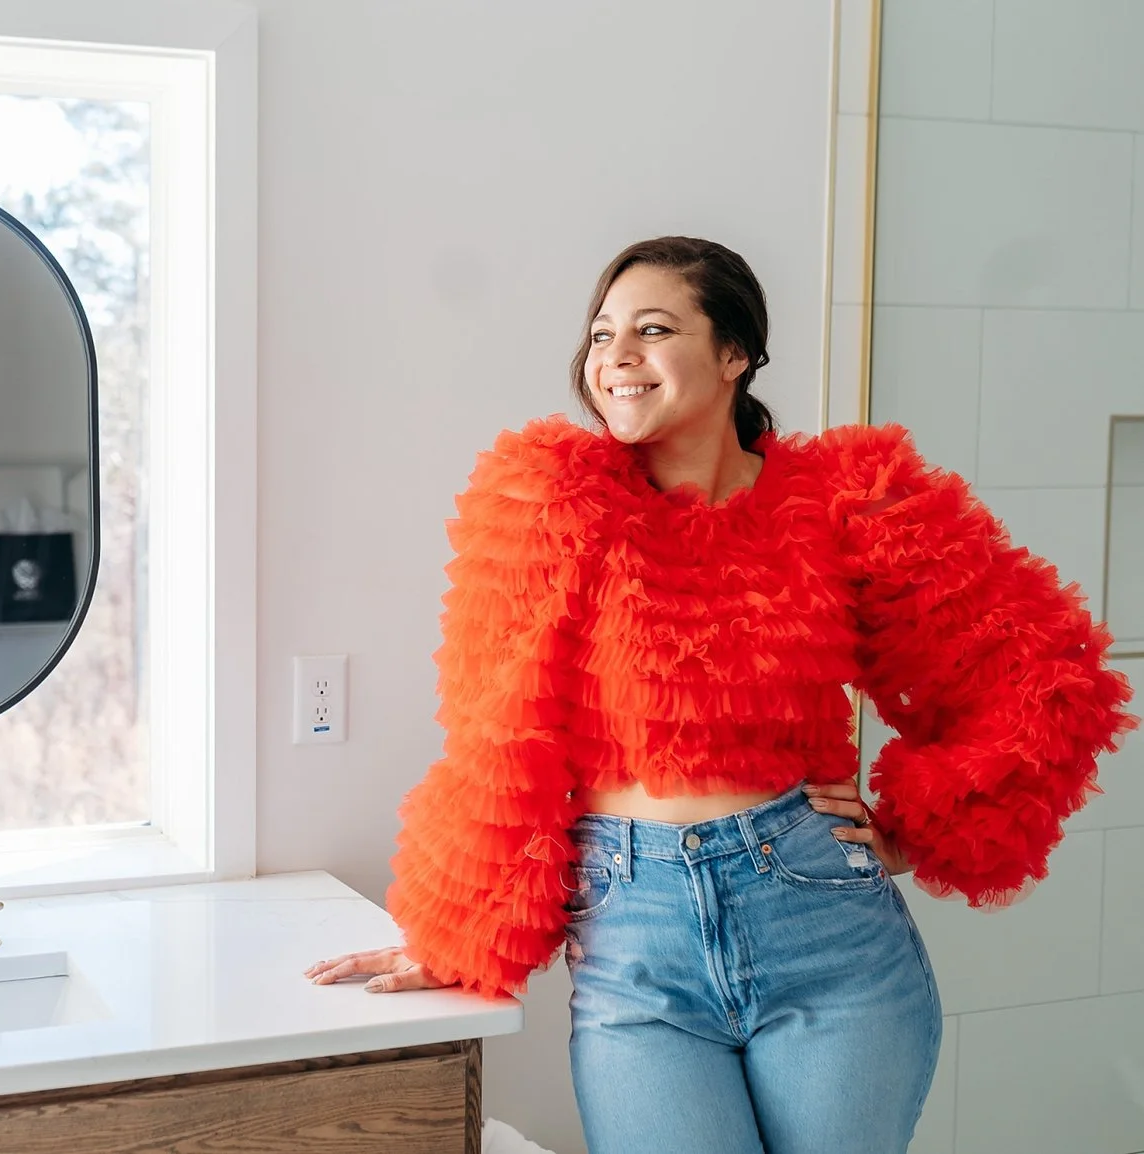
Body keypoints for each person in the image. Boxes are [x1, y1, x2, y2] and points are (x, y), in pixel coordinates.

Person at [302, 237, 1133, 1153]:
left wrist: (915, 832)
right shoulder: (551, 501)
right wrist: (454, 934)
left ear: (735, 353)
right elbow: (498, 736)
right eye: (602, 333)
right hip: (634, 947)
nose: (615, 357)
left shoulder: (848, 503)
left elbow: (1044, 673)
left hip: (827, 935)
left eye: (653, 330)